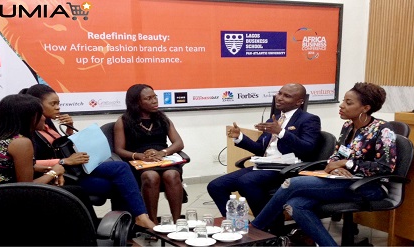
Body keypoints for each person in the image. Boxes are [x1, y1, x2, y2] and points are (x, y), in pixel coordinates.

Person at [251, 82, 397, 246]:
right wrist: (334, 165)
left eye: (349, 103)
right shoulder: (348, 126)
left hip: (369, 187)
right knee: (296, 205)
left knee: (291, 183)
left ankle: (253, 231)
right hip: (343, 181)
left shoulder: (383, 129)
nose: (341, 106)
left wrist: (346, 164)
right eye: (343, 100)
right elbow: (337, 156)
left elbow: (385, 167)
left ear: (365, 108)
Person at [23, 84, 155, 229]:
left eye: (58, 103)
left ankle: (132, 222)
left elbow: (60, 147)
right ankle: (127, 225)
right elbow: (32, 162)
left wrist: (69, 129)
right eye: (53, 104)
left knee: (121, 168)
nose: (58, 107)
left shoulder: (48, 124)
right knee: (118, 181)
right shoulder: (30, 130)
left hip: (73, 168)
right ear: (37, 105)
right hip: (62, 173)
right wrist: (64, 161)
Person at [207, 83, 322, 217]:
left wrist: (281, 132)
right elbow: (260, 149)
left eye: (287, 96)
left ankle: (268, 227)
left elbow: (308, 148)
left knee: (246, 181)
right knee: (216, 186)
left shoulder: (309, 120)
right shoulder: (274, 118)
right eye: (279, 93)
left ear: (299, 102)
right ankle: (238, 224)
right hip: (265, 164)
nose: (279, 98)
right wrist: (240, 137)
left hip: (287, 168)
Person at [114, 84, 185, 224]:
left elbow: (178, 143)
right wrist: (139, 156)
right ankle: (152, 223)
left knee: (172, 175)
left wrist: (162, 152)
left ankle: (178, 222)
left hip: (163, 158)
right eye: (148, 98)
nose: (154, 101)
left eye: (155, 97)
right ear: (136, 102)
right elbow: (119, 150)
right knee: (150, 176)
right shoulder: (123, 121)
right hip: (139, 162)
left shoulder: (162, 118)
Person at [0, 94, 65, 189]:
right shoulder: (21, 143)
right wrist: (54, 172)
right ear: (28, 118)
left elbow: (7, 168)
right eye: (41, 114)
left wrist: (48, 169)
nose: (44, 118)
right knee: (77, 191)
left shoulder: (1, 136)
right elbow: (25, 188)